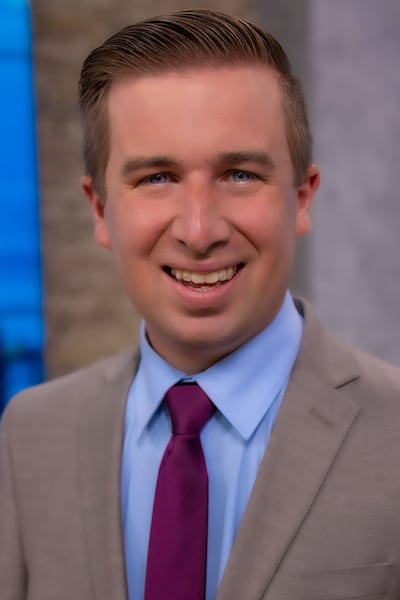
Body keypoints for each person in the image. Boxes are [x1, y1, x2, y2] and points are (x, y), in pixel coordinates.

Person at [1, 9, 400, 600]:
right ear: (99, 209)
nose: (198, 229)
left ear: (301, 200)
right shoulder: (32, 434)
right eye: (157, 177)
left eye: (238, 174)